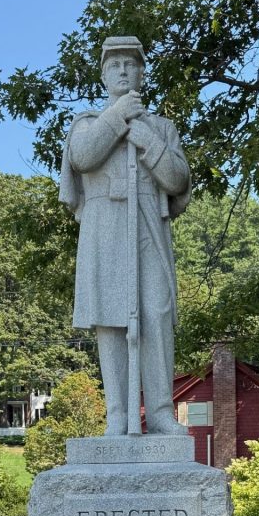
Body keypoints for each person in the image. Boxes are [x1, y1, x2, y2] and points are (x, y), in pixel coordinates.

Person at [59, 36, 191, 435]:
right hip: (104, 227)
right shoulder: (86, 123)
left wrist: (144, 137)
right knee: (110, 317)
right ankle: (117, 414)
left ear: (141, 73)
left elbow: (176, 178)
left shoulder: (162, 127)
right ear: (102, 76)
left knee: (157, 311)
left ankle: (162, 412)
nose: (122, 71)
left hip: (148, 222)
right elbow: (83, 157)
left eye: (130, 65)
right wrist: (118, 119)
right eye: (114, 65)